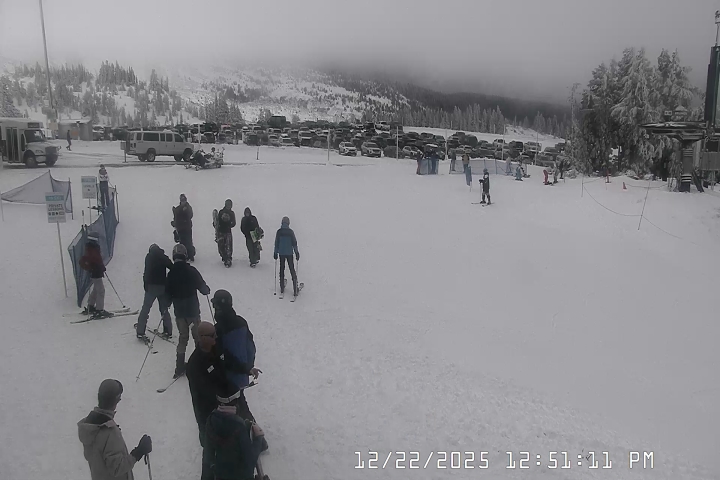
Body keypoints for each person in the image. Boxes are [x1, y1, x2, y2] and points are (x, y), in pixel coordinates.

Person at [78, 379, 152, 480]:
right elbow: (117, 468)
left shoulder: (90, 426)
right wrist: (139, 452)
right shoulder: (109, 432)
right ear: (116, 401)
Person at [205, 383, 267, 480]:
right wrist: (258, 439)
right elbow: (249, 461)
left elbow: (208, 455)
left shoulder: (211, 420)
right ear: (236, 401)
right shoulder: (238, 427)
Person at [212, 290, 257, 421]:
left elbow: (221, 358)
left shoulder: (218, 330)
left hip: (228, 380)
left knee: (233, 410)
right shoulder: (241, 322)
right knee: (240, 402)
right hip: (242, 374)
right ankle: (251, 427)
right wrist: (248, 366)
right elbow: (250, 346)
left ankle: (249, 429)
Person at [166, 243, 211, 378]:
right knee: (198, 337)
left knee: (183, 337)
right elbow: (202, 288)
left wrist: (167, 303)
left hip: (180, 313)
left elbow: (167, 293)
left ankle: (179, 367)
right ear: (185, 256)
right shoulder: (191, 271)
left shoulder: (171, 274)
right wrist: (206, 289)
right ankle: (200, 365)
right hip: (192, 311)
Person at [136, 244, 173, 340]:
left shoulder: (149, 257)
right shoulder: (163, 257)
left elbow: (147, 271)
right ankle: (168, 330)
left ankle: (140, 330)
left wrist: (145, 284)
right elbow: (172, 267)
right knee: (164, 309)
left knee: (146, 308)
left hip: (151, 287)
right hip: (162, 287)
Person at [79, 234, 109, 318]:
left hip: (95, 272)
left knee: (96, 289)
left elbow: (96, 260)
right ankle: (99, 310)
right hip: (96, 272)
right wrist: (100, 267)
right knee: (101, 291)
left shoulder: (91, 248)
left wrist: (101, 267)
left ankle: (91, 305)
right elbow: (96, 260)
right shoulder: (93, 249)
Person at [273, 216, 300, 298]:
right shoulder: (290, 232)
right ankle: (295, 288)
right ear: (288, 223)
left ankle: (281, 287)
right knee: (292, 269)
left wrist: (275, 253)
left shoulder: (279, 232)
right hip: (289, 253)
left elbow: (276, 243)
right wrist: (297, 252)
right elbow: (294, 243)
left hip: (281, 253)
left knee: (282, 269)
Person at [172, 194, 195, 261]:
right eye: (182, 200)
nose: (183, 202)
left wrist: (185, 211)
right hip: (181, 228)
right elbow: (176, 218)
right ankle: (184, 255)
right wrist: (174, 223)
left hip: (187, 228)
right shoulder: (178, 208)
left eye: (184, 200)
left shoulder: (188, 207)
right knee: (182, 242)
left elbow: (190, 215)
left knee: (189, 242)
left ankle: (190, 255)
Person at [216, 199, 236, 267]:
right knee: (221, 247)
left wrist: (229, 222)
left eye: (230, 205)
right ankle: (224, 256)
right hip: (221, 231)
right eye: (228, 205)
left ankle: (228, 259)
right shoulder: (221, 212)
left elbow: (234, 223)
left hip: (228, 231)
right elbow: (217, 221)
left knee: (228, 246)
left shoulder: (232, 213)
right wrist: (216, 224)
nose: (229, 206)